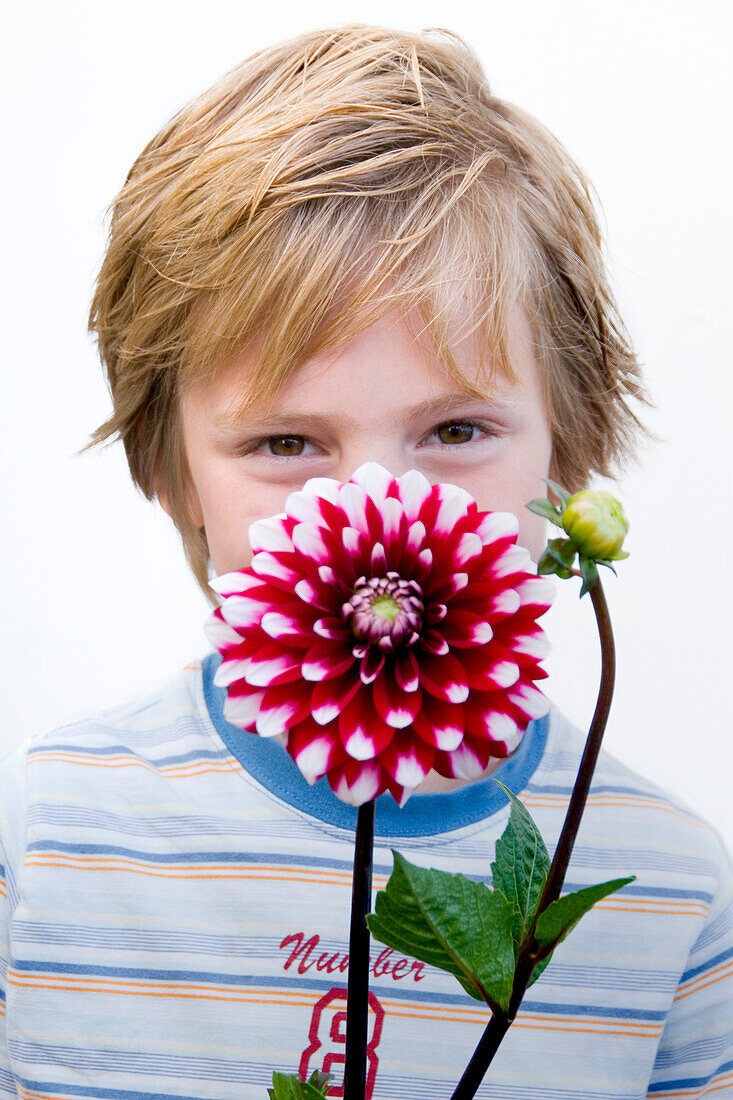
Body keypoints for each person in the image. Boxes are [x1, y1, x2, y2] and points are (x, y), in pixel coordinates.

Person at [0, 24, 730, 1099]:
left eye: (457, 430)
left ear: (566, 452)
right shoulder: (54, 832)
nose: (376, 501)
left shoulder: (669, 894)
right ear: (171, 478)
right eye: (285, 444)